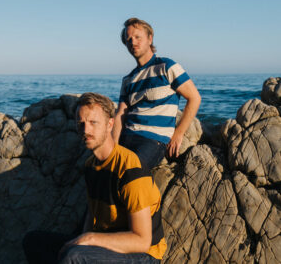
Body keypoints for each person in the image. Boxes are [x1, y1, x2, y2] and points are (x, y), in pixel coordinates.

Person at [23, 92, 166, 264]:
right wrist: (84, 239)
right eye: (81, 123)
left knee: (74, 257)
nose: (86, 130)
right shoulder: (91, 166)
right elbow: (92, 216)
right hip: (105, 246)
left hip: (145, 256)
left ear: (109, 124)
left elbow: (142, 241)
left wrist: (90, 240)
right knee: (33, 242)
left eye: (93, 122)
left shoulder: (130, 169)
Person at [112, 18, 201, 169]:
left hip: (153, 139)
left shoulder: (166, 67)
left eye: (137, 37)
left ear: (149, 38)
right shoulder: (128, 79)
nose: (133, 42)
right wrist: (112, 147)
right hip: (127, 136)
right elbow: (121, 114)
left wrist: (178, 134)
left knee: (131, 172)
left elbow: (194, 98)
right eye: (128, 39)